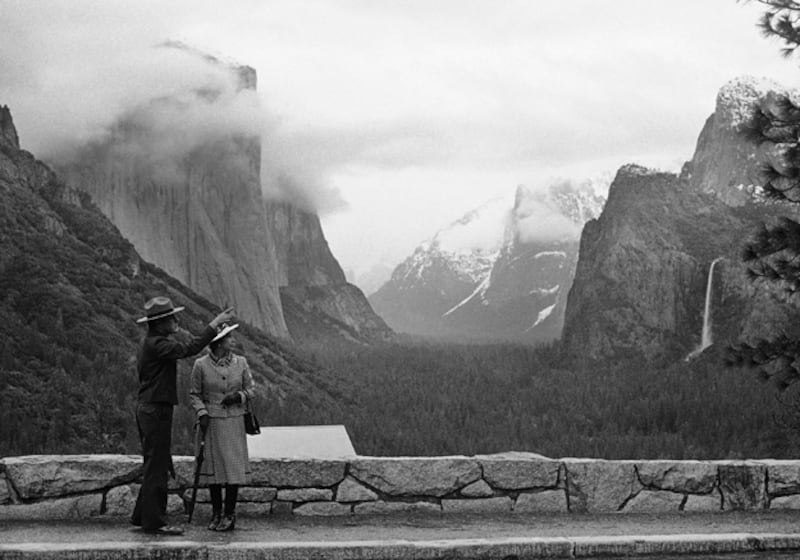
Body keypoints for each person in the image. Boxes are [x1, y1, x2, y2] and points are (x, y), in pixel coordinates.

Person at [131, 296, 235, 536]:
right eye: (171, 318)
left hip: (151, 408)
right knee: (157, 466)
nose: (176, 321)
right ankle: (154, 522)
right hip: (155, 410)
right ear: (160, 323)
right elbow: (190, 348)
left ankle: (142, 516)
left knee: (154, 462)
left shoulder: (152, 342)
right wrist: (215, 323)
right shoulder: (158, 345)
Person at [189, 322, 255, 531]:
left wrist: (239, 396)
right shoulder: (200, 365)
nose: (233, 341)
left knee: (233, 470)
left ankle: (230, 514)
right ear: (218, 343)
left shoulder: (241, 363)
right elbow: (194, 394)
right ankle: (216, 513)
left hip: (234, 420)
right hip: (212, 421)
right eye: (229, 338)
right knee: (214, 470)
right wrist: (202, 412)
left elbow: (251, 389)